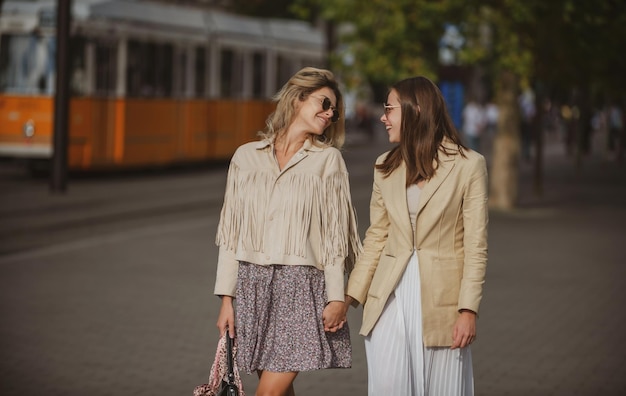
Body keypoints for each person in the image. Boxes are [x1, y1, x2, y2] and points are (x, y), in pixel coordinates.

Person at [213, 67, 362, 396]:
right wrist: (227, 301)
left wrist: (337, 297)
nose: (329, 113)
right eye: (324, 103)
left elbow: (335, 238)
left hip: (301, 288)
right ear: (297, 99)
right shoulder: (245, 157)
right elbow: (231, 235)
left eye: (334, 110)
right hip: (254, 285)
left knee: (268, 393)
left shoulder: (328, 161)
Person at [342, 76, 488, 395]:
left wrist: (468, 310)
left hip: (444, 304)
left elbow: (476, 247)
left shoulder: (469, 166)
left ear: (416, 111)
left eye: (389, 109)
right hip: (388, 298)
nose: (383, 117)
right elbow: (377, 236)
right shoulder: (385, 166)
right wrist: (348, 297)